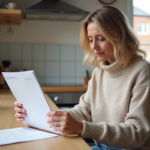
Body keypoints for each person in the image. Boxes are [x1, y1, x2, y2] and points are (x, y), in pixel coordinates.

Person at [14, 6, 150, 150]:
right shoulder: (99, 72)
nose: (94, 47)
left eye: (101, 39)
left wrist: (82, 128)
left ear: (120, 37)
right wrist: (42, 115)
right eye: (90, 40)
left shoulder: (142, 71)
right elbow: (83, 111)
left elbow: (136, 132)